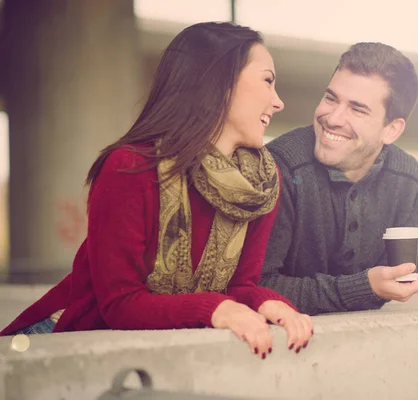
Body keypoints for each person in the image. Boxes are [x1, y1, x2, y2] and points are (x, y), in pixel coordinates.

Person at [1, 22, 313, 358]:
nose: (278, 102)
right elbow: (120, 304)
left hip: (148, 354)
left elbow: (240, 287)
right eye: (268, 80)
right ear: (219, 82)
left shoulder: (260, 185)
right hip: (55, 345)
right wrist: (217, 309)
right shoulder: (130, 167)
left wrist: (271, 304)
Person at [260, 42, 418, 315]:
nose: (333, 118)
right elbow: (256, 288)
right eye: (331, 98)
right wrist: (364, 288)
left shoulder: (409, 180)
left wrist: (387, 284)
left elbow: (387, 287)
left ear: (392, 130)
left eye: (357, 109)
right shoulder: (280, 166)